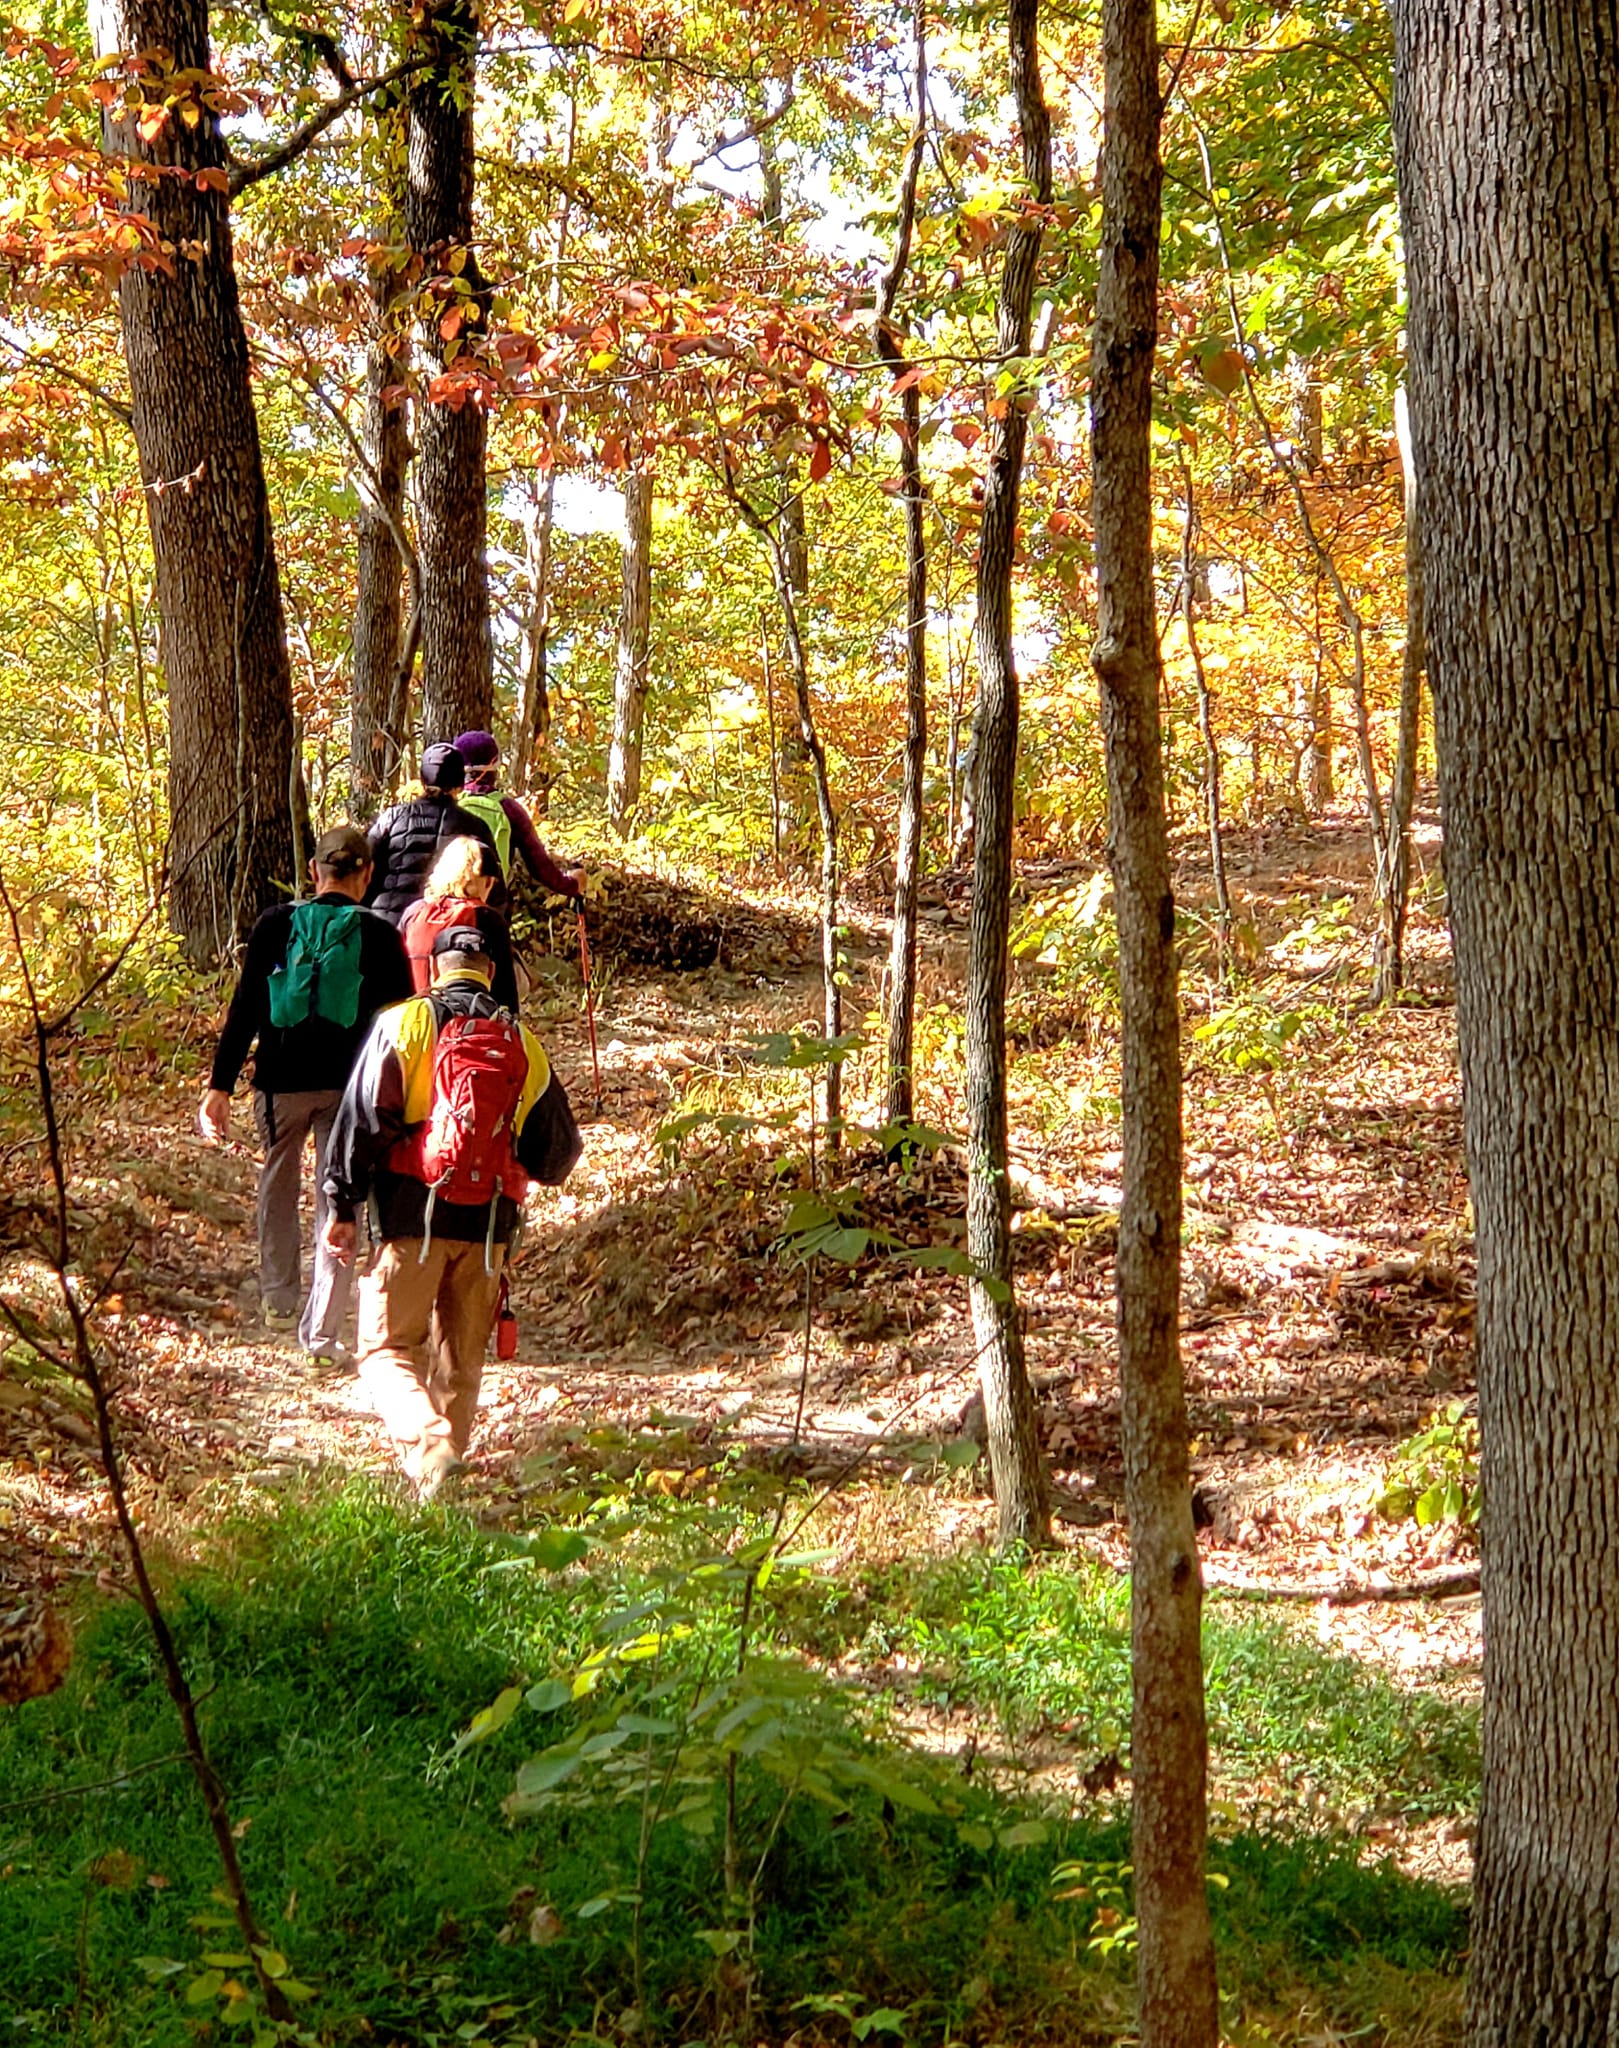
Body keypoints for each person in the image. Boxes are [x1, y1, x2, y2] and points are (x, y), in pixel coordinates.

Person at [321, 927, 581, 1498]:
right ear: (489, 972)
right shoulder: (522, 1042)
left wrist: (342, 1204)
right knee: (459, 1365)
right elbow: (557, 1153)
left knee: (386, 1349)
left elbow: (362, 1120)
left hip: (412, 1216)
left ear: (434, 969)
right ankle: (441, 1493)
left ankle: (429, 1446)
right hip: (489, 1231)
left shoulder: (406, 1023)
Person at [199, 825, 413, 1361]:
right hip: (348, 1089)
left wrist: (219, 1085)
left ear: (315, 872)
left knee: (277, 1179)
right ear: (366, 875)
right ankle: (323, 1330)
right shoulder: (382, 934)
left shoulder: (276, 922)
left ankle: (277, 1298)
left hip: (278, 1084)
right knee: (337, 1196)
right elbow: (402, 1025)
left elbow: (246, 1006)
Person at [451, 729, 585, 917]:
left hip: (446, 905)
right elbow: (541, 867)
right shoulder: (509, 809)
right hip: (492, 907)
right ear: (494, 765)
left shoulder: (447, 805)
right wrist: (573, 884)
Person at [364, 742, 498, 926]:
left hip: (386, 928)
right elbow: (496, 893)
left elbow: (364, 873)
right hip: (444, 931)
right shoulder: (475, 827)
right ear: (460, 783)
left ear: (422, 780)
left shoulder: (392, 818)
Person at [398, 836, 521, 1011]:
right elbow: (505, 991)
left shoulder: (414, 913)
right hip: (465, 1024)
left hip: (415, 1021)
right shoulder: (487, 918)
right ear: (486, 881)